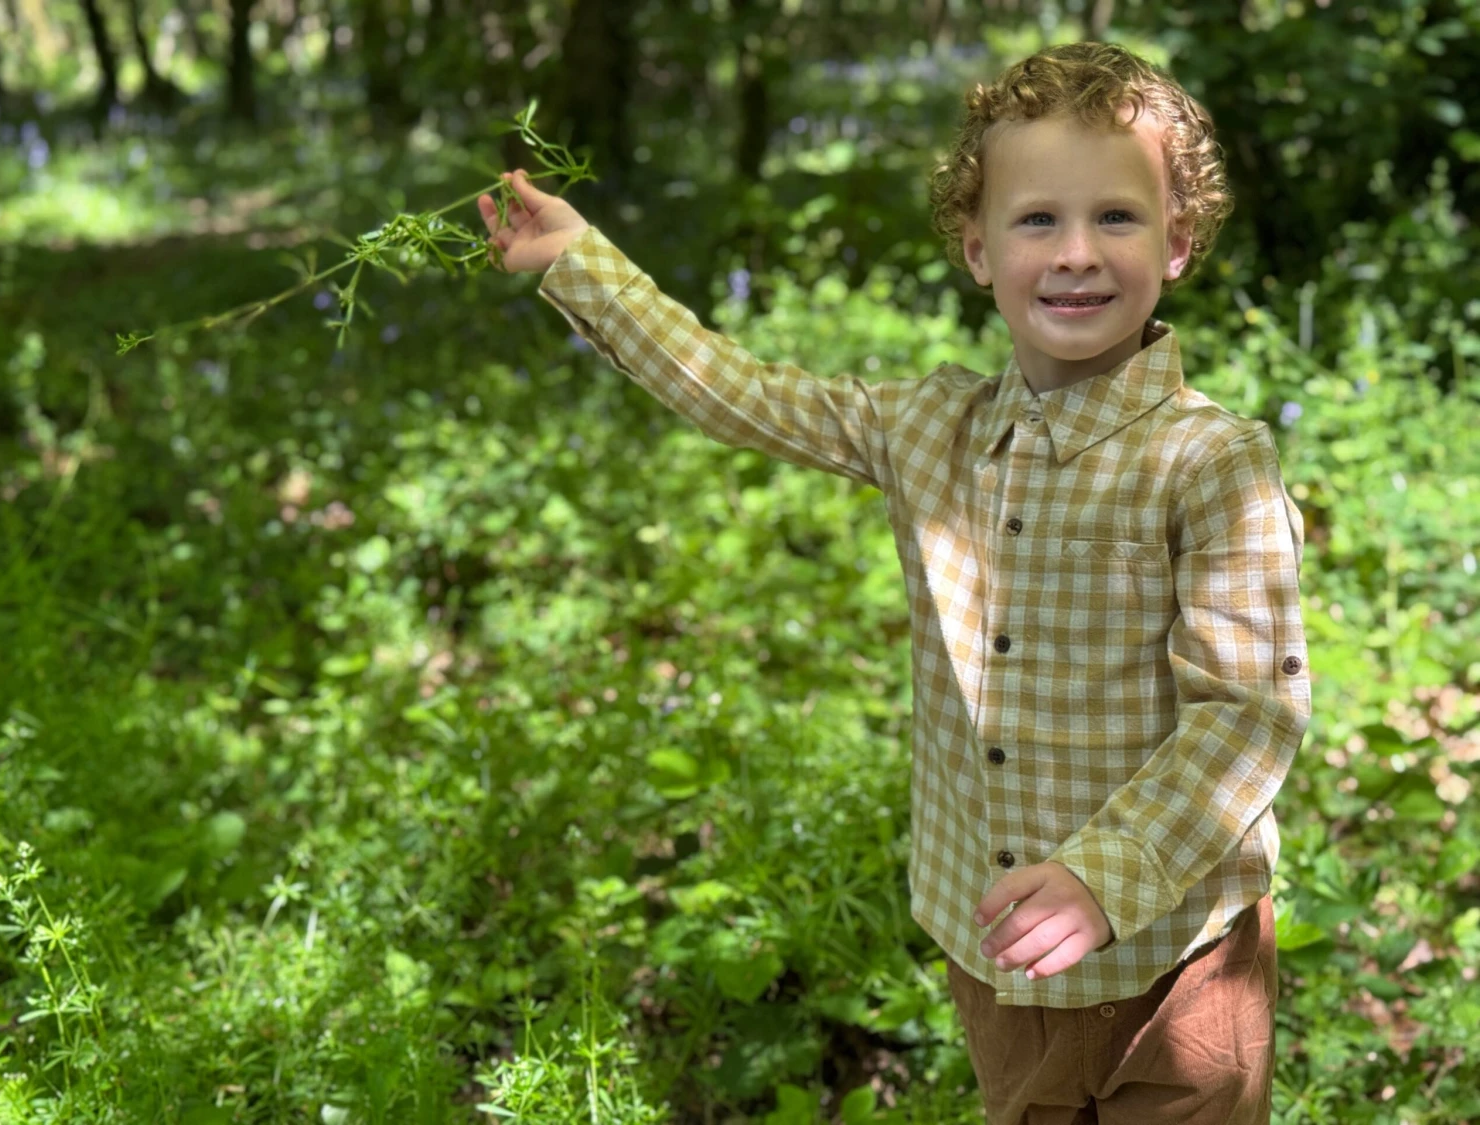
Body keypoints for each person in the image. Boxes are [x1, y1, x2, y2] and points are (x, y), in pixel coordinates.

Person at [478, 39, 1309, 1125]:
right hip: (999, 944)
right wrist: (582, 263)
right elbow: (740, 392)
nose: (1076, 254)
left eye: (1116, 217)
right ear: (975, 248)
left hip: (1180, 955)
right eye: (1035, 220)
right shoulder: (929, 428)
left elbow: (1245, 714)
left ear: (1179, 241)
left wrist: (1106, 876)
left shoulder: (1210, 462)